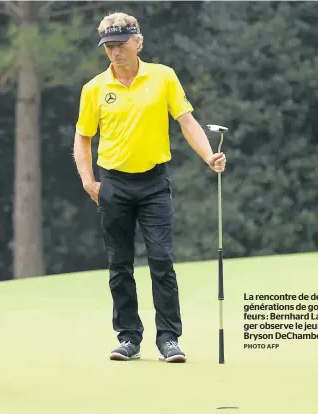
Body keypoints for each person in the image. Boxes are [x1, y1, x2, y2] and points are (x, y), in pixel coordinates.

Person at [73, 12, 226, 363]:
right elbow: (83, 139)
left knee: (161, 260)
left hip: (155, 182)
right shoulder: (94, 88)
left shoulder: (163, 77)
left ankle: (169, 338)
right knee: (120, 264)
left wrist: (208, 157)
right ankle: (128, 337)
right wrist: (88, 181)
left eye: (121, 44)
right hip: (113, 183)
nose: (115, 52)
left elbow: (186, 122)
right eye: (109, 46)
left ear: (137, 41)